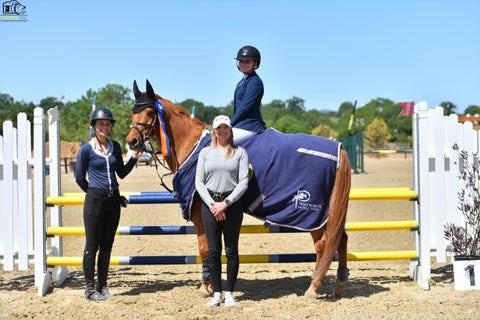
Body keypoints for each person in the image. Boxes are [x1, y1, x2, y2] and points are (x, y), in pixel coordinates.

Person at [75, 107, 142, 301]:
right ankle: (89, 290)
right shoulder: (86, 149)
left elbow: (120, 173)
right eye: (101, 124)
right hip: (95, 200)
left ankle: (102, 287)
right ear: (94, 126)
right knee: (91, 246)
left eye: (107, 124)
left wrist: (134, 158)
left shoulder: (116, 146)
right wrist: (94, 193)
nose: (104, 127)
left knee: (107, 246)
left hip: (113, 201)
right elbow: (80, 177)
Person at [195, 115, 249, 307]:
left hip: (231, 205)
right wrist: (213, 205)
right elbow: (199, 183)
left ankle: (230, 293)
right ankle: (217, 292)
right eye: (219, 128)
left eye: (226, 128)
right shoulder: (205, 153)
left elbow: (243, 182)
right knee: (214, 251)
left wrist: (225, 204)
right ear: (214, 131)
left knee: (232, 250)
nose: (223, 131)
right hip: (210, 205)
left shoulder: (240, 152)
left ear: (230, 130)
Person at [231, 45, 267, 143]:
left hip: (250, 126)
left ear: (255, 63)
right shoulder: (241, 82)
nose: (243, 63)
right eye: (241, 61)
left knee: (221, 141)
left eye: (247, 61)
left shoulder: (255, 82)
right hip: (241, 125)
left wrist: (230, 124)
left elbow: (245, 106)